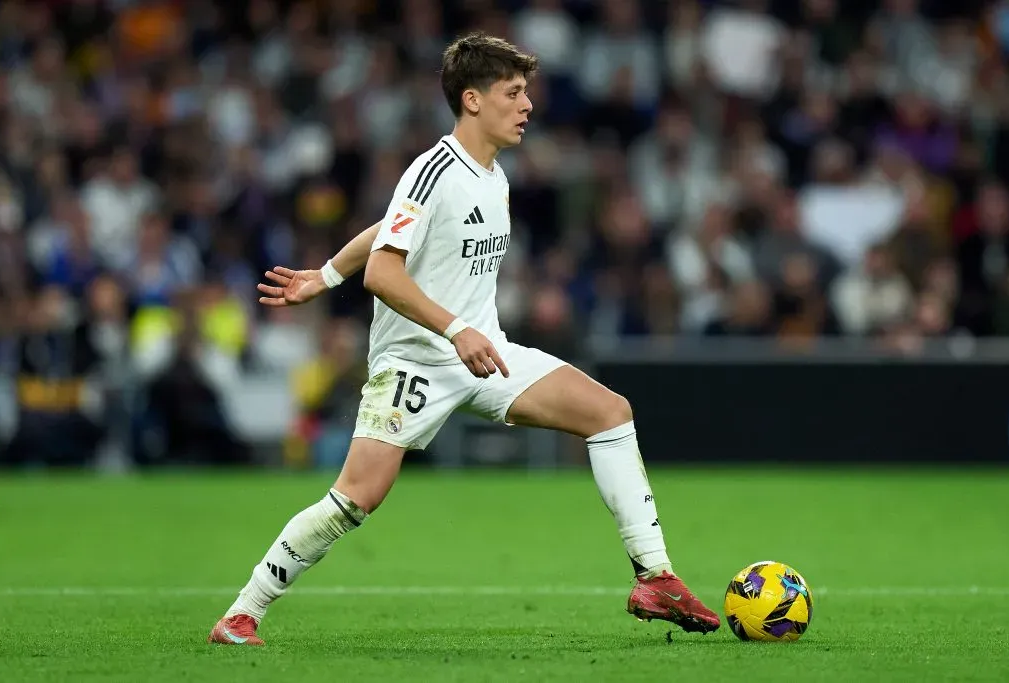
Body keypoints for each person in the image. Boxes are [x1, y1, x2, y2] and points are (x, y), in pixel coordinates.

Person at [208, 32, 720, 646]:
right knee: (357, 498)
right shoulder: (434, 171)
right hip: (416, 360)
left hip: (483, 352)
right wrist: (453, 328)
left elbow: (391, 226)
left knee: (610, 413)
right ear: (473, 100)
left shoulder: (492, 176)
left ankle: (655, 577)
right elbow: (384, 271)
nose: (528, 105)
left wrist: (324, 275)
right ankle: (242, 613)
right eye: (514, 92)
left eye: (526, 92)